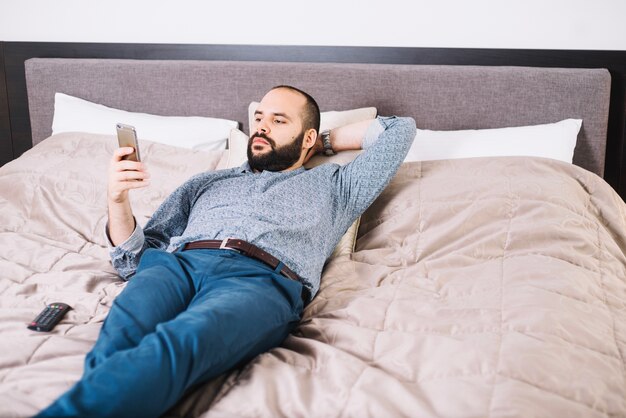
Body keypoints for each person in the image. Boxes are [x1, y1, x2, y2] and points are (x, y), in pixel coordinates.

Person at [37, 85, 416, 417]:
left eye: (279, 121)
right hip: (175, 266)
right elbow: (133, 259)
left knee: (179, 343)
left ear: (307, 138)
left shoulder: (337, 185)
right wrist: (116, 199)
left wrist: (323, 143)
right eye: (259, 118)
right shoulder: (207, 182)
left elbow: (400, 130)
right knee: (118, 341)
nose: (262, 126)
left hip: (260, 280)